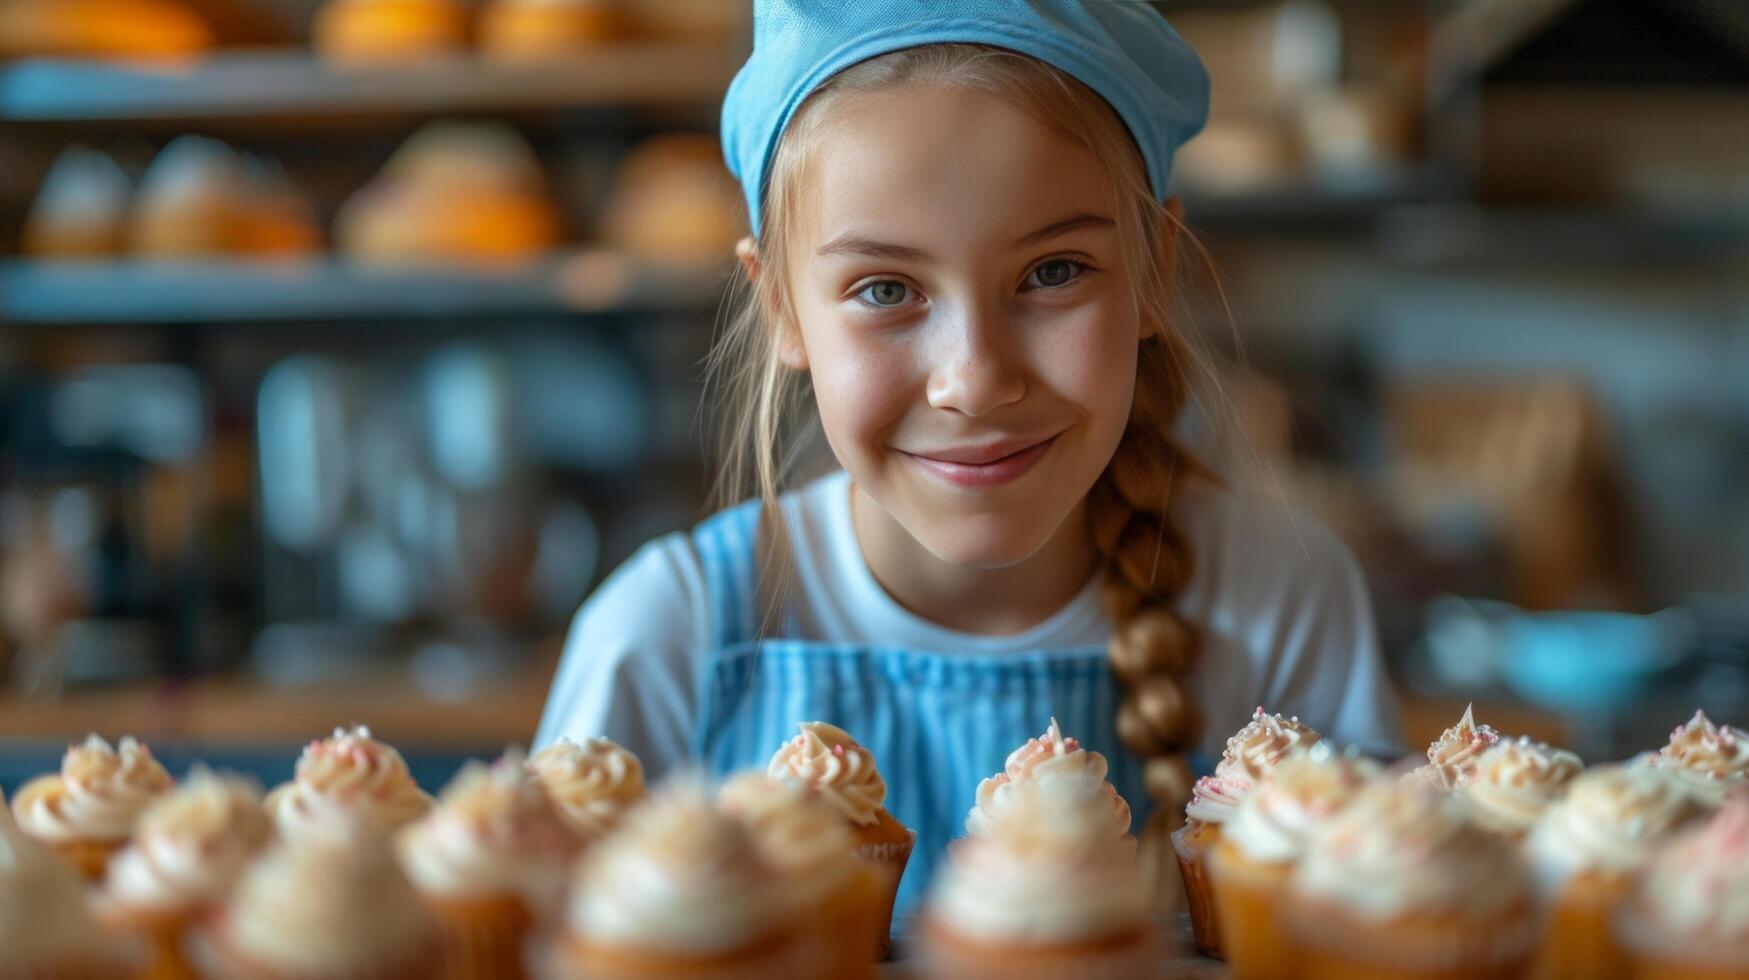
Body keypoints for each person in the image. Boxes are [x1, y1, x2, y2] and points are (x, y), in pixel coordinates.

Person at [536, 0, 1401, 913]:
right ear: (784, 308)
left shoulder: (1279, 597)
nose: (975, 381)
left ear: (1153, 267)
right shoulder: (672, 635)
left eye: (1053, 271)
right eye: (884, 289)